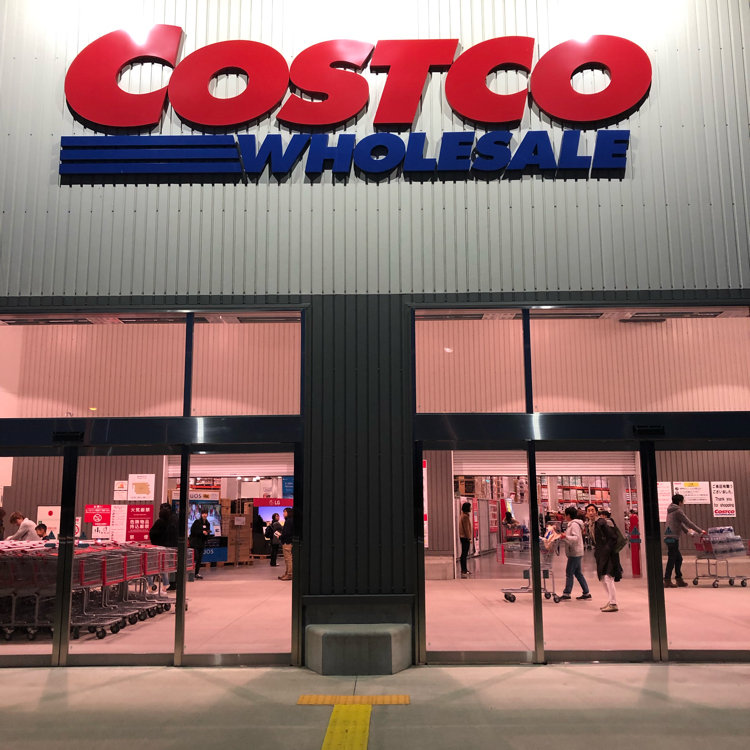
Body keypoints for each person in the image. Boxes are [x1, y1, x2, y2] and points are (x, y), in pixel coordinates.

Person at [664, 493, 705, 588]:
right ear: (680, 502)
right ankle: (667, 580)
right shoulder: (678, 511)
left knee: (678, 558)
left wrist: (687, 532)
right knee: (672, 558)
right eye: (683, 501)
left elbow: (679, 523)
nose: (683, 503)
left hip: (669, 537)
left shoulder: (671, 509)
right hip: (673, 538)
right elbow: (688, 522)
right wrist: (700, 531)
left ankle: (678, 579)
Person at [559, 506, 591, 600]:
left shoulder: (574, 525)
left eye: (565, 515)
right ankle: (586, 593)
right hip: (575, 551)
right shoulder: (572, 524)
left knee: (569, 572)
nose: (564, 516)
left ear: (569, 515)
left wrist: (565, 537)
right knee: (578, 573)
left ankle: (566, 593)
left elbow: (576, 538)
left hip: (575, 552)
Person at [594, 508, 623, 612]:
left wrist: (607, 549)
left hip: (609, 554)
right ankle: (611, 600)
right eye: (588, 511)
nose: (590, 513)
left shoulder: (603, 523)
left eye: (592, 510)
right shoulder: (593, 524)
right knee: (603, 577)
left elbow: (613, 537)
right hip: (601, 554)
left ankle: (613, 603)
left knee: (608, 577)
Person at [148, 505, 172, 590]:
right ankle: (165, 583)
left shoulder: (159, 522)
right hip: (166, 547)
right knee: (162, 565)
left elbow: (152, 533)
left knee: (151, 567)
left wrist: (153, 542)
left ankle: (151, 584)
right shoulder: (169, 523)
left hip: (157, 547)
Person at [189, 507, 212, 580]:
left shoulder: (208, 523)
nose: (204, 515)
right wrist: (202, 532)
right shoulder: (197, 522)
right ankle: (191, 572)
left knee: (199, 559)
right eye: (203, 513)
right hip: (195, 543)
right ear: (201, 514)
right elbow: (193, 531)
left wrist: (207, 534)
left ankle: (196, 573)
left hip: (202, 543)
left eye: (206, 513)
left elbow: (208, 532)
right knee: (195, 557)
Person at [278, 507, 293, 581]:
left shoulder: (288, 521)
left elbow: (287, 533)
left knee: (288, 559)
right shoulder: (290, 521)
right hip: (288, 541)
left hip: (287, 542)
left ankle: (289, 574)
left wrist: (280, 536)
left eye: (285, 512)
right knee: (287, 559)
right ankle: (287, 573)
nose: (283, 514)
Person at [458, 501, 472, 579]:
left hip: (462, 537)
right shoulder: (465, 517)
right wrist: (469, 538)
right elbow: (466, 529)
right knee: (464, 554)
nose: (471, 508)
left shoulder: (462, 515)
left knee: (464, 553)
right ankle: (464, 570)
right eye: (470, 507)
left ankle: (464, 569)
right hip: (465, 537)